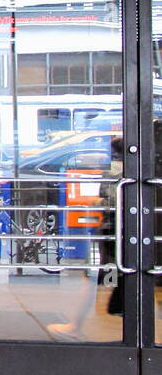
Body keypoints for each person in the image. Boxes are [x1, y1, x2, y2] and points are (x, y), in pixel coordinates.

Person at [48, 136, 124, 341]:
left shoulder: (114, 169)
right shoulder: (140, 169)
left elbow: (111, 201)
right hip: (127, 233)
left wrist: (94, 201)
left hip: (112, 231)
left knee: (91, 278)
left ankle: (74, 326)